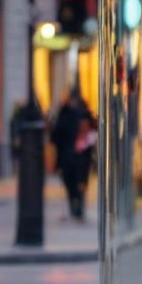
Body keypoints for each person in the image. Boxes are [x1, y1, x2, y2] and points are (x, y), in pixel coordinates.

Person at [50, 90, 96, 221]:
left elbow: (55, 136)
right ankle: (79, 208)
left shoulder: (64, 114)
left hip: (68, 156)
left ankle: (74, 206)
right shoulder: (84, 115)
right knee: (80, 182)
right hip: (81, 156)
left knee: (70, 182)